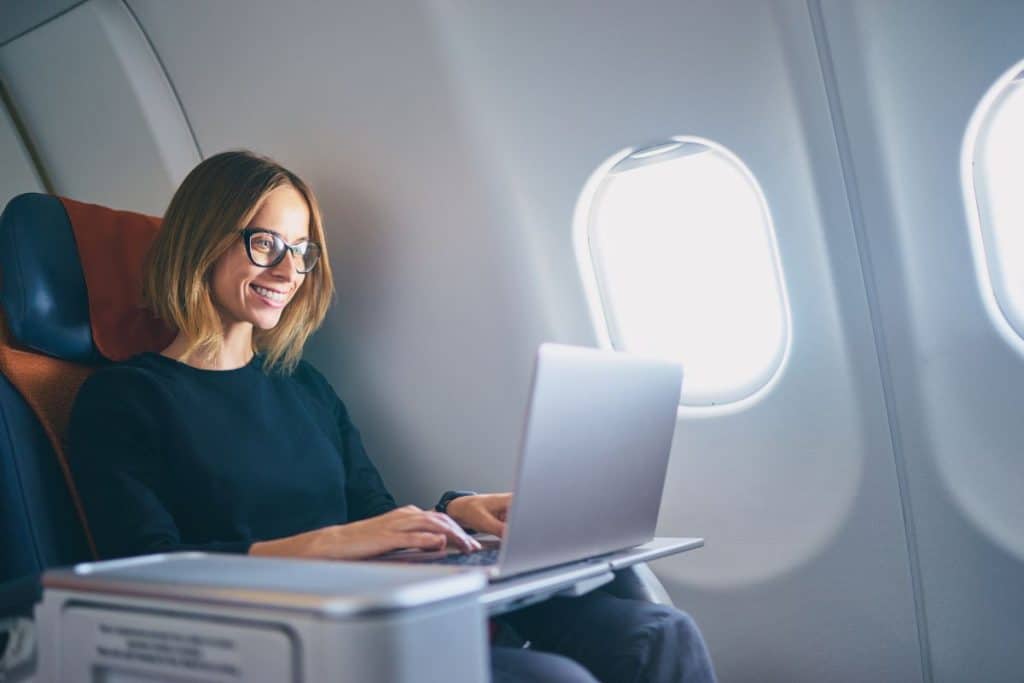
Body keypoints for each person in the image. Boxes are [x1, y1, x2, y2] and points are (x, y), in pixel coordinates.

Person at [67, 150, 716, 682]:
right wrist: (329, 545)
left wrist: (455, 512)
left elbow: (372, 512)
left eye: (303, 250)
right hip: (285, 644)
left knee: (657, 633)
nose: (289, 270)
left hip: (389, 605)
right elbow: (152, 574)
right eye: (266, 243)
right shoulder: (124, 400)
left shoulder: (304, 387)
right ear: (202, 239)